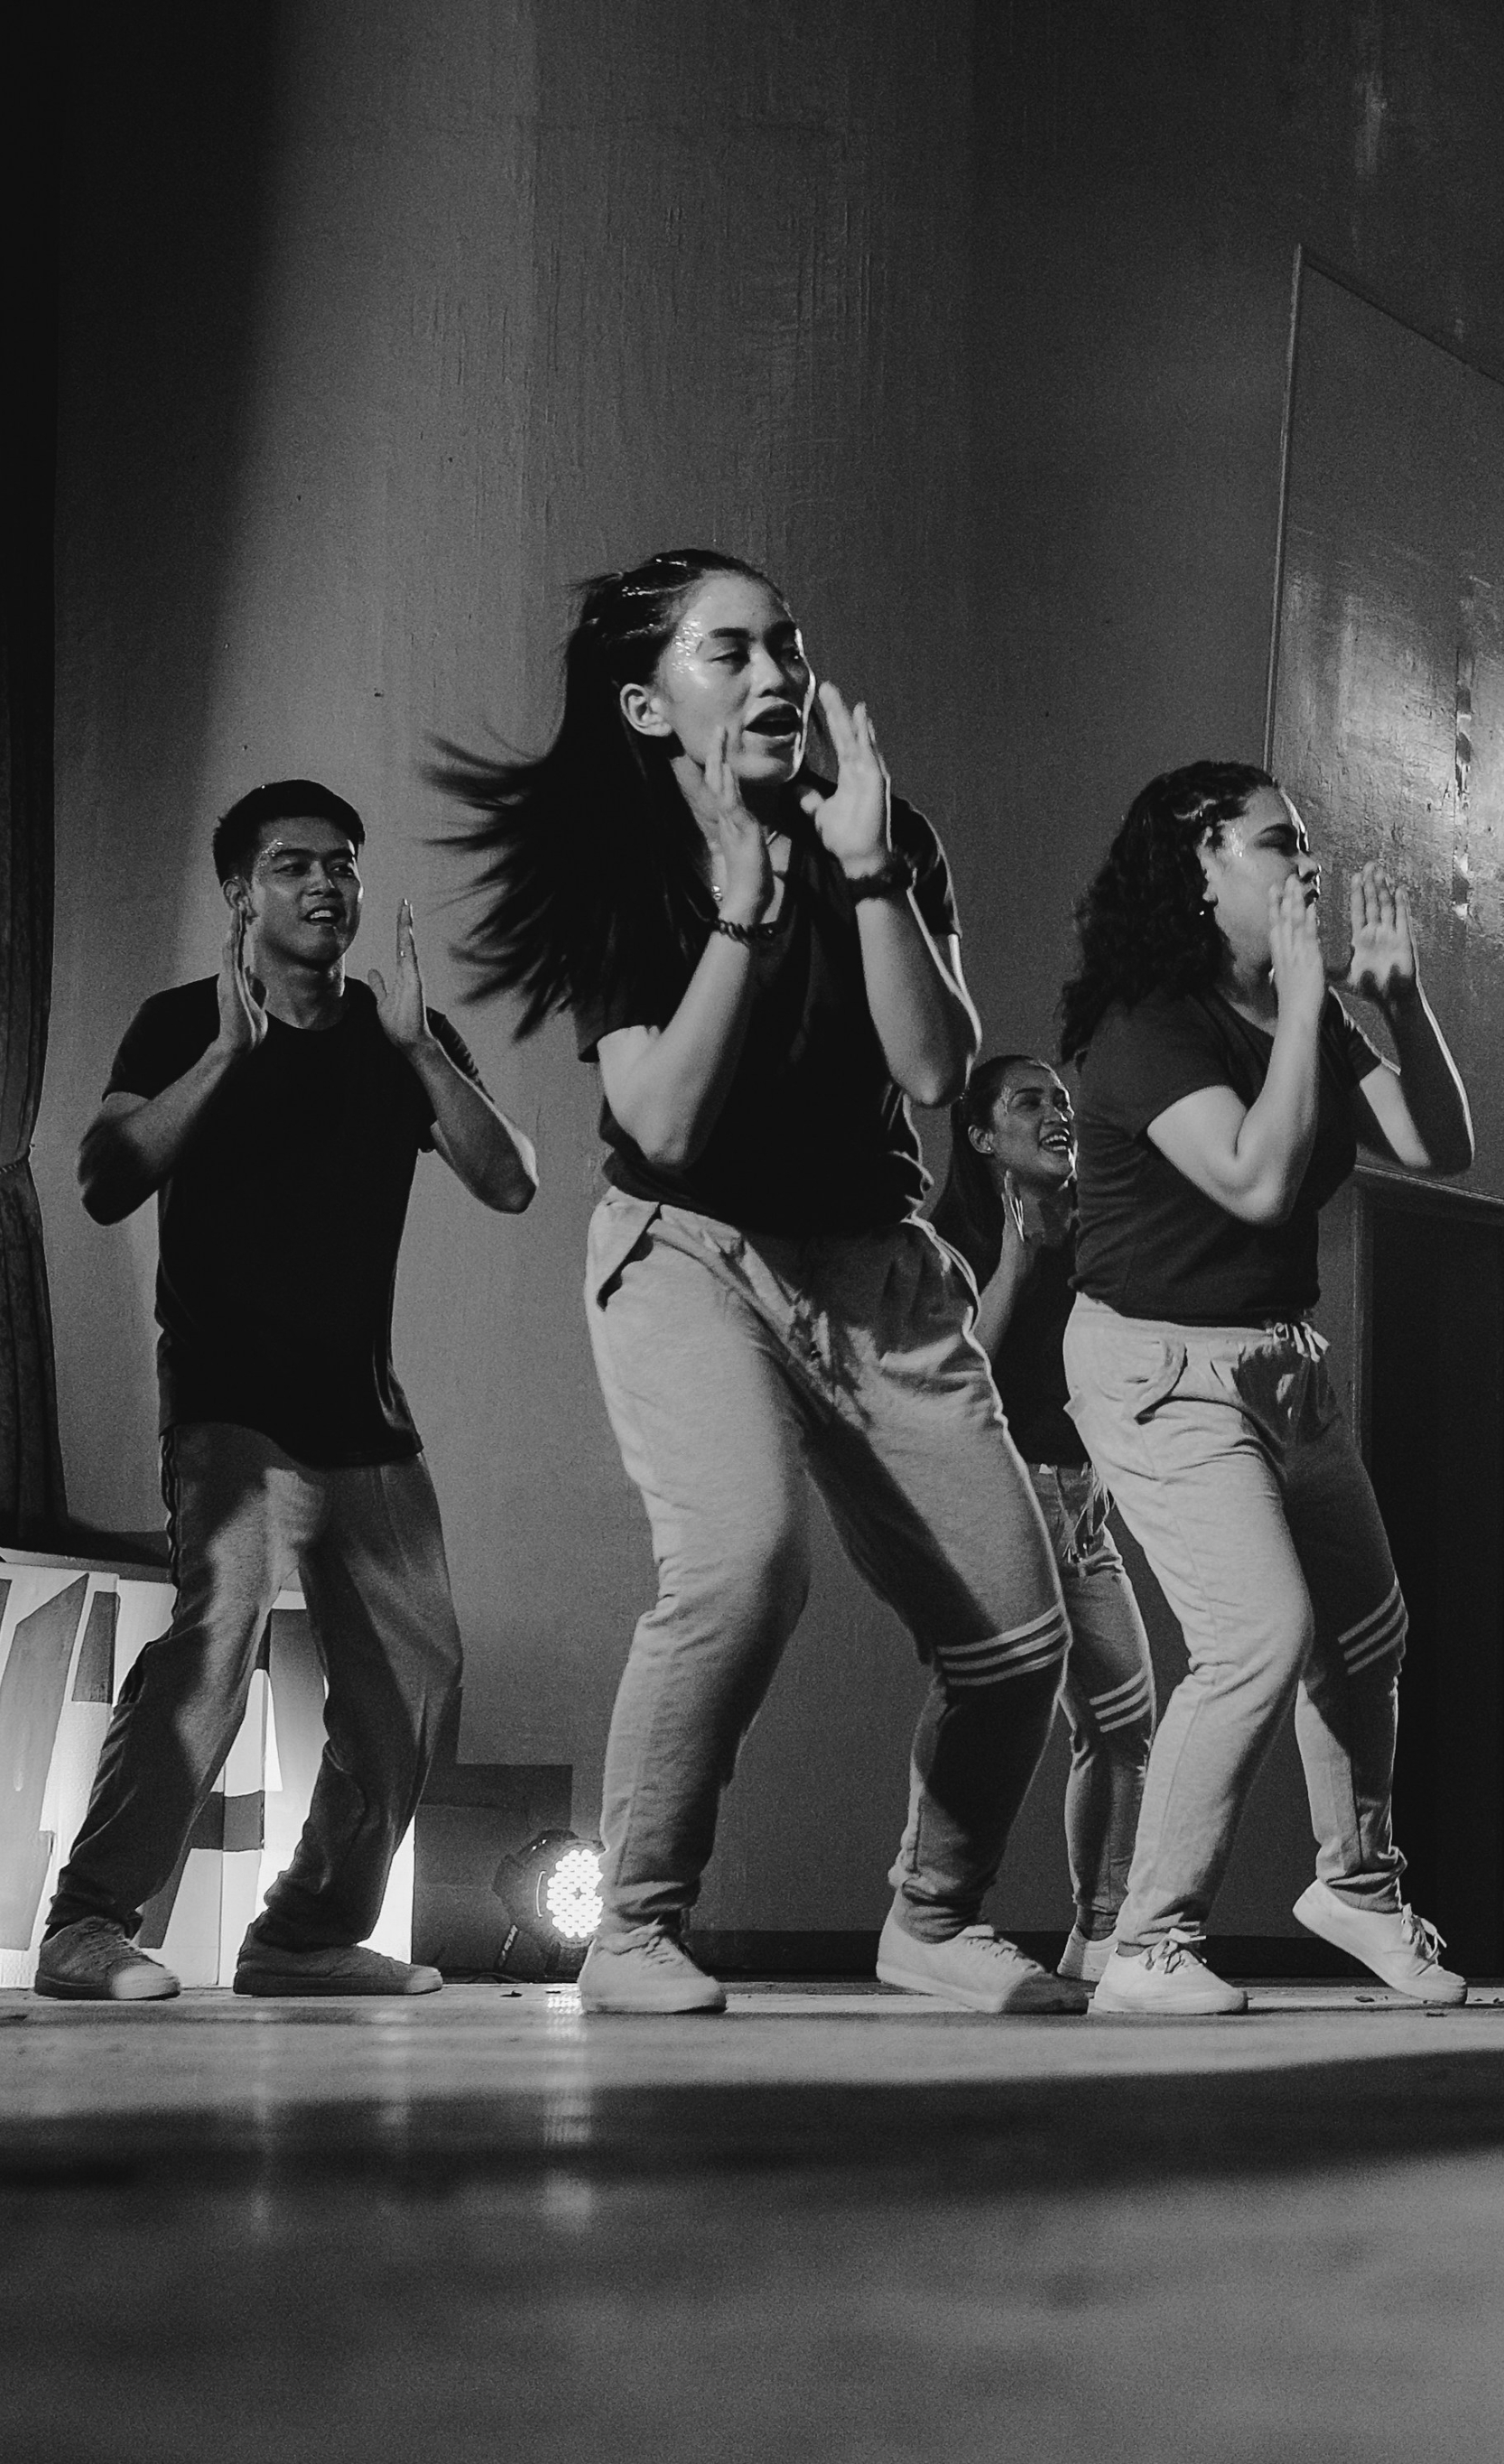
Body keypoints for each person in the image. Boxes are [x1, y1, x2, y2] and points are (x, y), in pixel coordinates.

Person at [444, 548, 1082, 2018]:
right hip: (691, 1254)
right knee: (738, 1571)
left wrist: (863, 872)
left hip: (878, 1268)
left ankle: (932, 1919)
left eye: (784, 645)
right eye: (728, 653)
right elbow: (660, 1118)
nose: (778, 675)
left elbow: (933, 1070)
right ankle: (636, 1931)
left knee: (1016, 1636)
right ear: (648, 705)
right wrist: (737, 914)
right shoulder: (627, 865)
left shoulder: (886, 832)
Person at [33, 781, 538, 2001]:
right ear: (239, 894)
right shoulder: (179, 1021)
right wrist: (222, 1056)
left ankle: (306, 1930)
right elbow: (107, 1177)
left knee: (415, 1680)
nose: (325, 885)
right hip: (227, 1397)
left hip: (360, 1406)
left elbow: (510, 1179)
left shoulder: (396, 1027)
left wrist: (423, 1050)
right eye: (293, 865)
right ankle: (87, 1925)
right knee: (216, 1637)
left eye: (343, 866)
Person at [1054, 760, 1476, 2015]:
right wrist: (1303, 1006)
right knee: (1255, 1637)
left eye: (1305, 840)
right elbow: (1250, 1177)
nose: (1308, 863)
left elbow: (1439, 1146)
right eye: (1276, 841)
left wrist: (1396, 1008)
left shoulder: (1308, 1008)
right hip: (1156, 1360)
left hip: (1280, 1360)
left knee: (1367, 1634)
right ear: (1197, 870)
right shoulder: (1146, 1026)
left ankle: (1357, 1883)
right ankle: (1146, 1941)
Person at [930, 1052, 1158, 1983]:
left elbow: (1103, 1365)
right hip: (1000, 1495)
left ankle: (1099, 1932)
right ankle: (936, 1919)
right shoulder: (948, 1237)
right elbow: (954, 1375)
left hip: (1080, 1499)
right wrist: (1016, 1257)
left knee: (1124, 1717)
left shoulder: (1094, 1231)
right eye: (1031, 1102)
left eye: (1063, 1099)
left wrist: (1107, 1455)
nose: (1057, 1112)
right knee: (989, 1711)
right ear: (983, 1135)